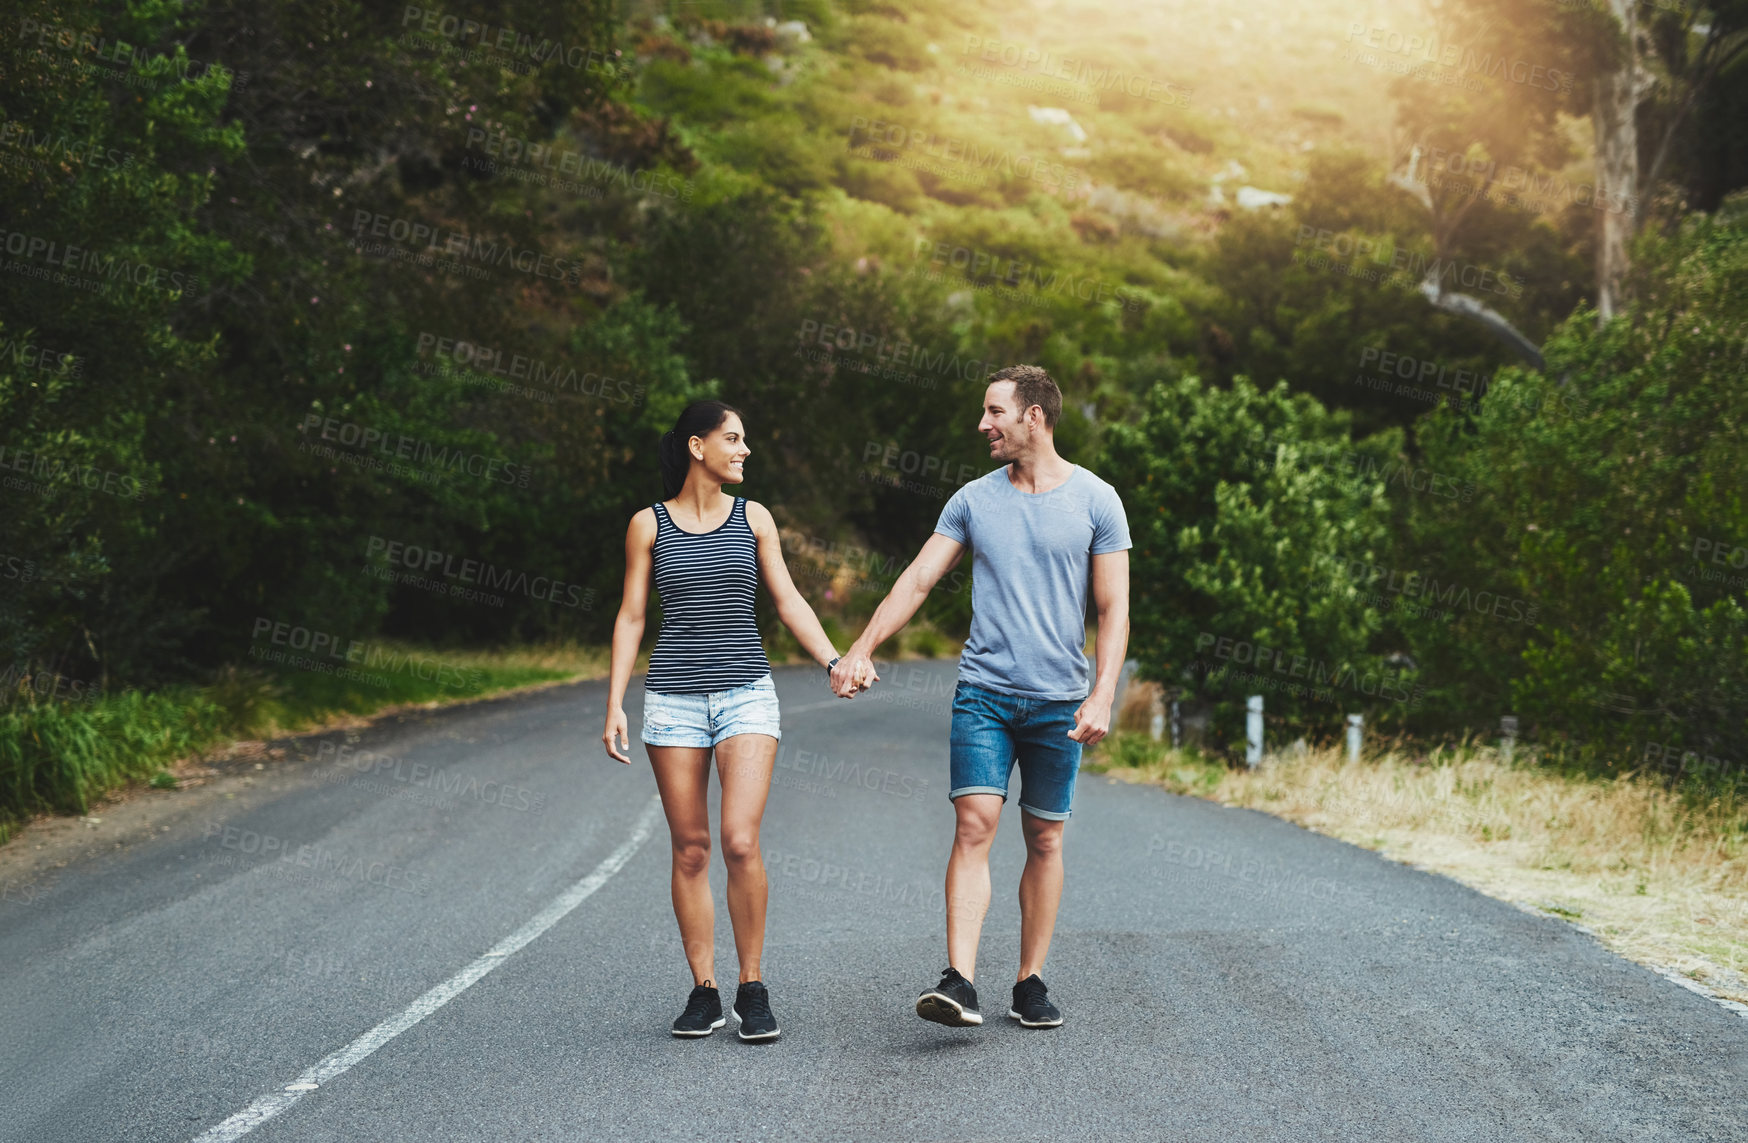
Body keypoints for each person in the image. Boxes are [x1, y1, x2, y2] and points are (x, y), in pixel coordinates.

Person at [830, 365, 1130, 1030]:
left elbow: (1114, 608)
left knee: (1045, 837)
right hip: (984, 696)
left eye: (994, 411)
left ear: (1035, 417)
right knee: (974, 826)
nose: (982, 425)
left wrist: (1104, 691)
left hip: (1060, 702)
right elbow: (915, 580)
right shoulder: (971, 499)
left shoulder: (1097, 500)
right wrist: (863, 646)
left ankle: (1029, 980)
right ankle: (960, 979)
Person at [602, 399, 871, 1042]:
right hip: (673, 701)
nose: (745, 449)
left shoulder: (754, 519)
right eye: (734, 438)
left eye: (745, 439)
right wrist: (614, 700)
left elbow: (787, 599)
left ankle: (753, 985)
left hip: (746, 694)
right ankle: (705, 990)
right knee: (690, 849)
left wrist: (835, 657)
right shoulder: (649, 524)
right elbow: (632, 617)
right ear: (698, 447)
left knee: (739, 841)